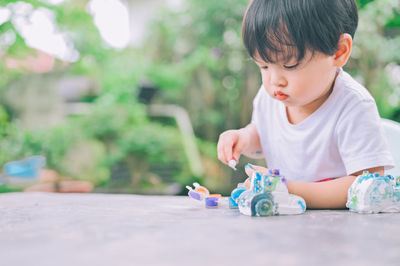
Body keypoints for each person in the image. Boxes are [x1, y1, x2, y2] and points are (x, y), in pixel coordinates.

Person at [217, 0, 395, 209]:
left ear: (339, 52)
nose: (275, 80)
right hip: (288, 225)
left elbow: (368, 186)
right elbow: (264, 135)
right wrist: (244, 138)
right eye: (264, 66)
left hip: (341, 230)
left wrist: (287, 189)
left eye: (289, 65)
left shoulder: (354, 106)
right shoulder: (270, 97)